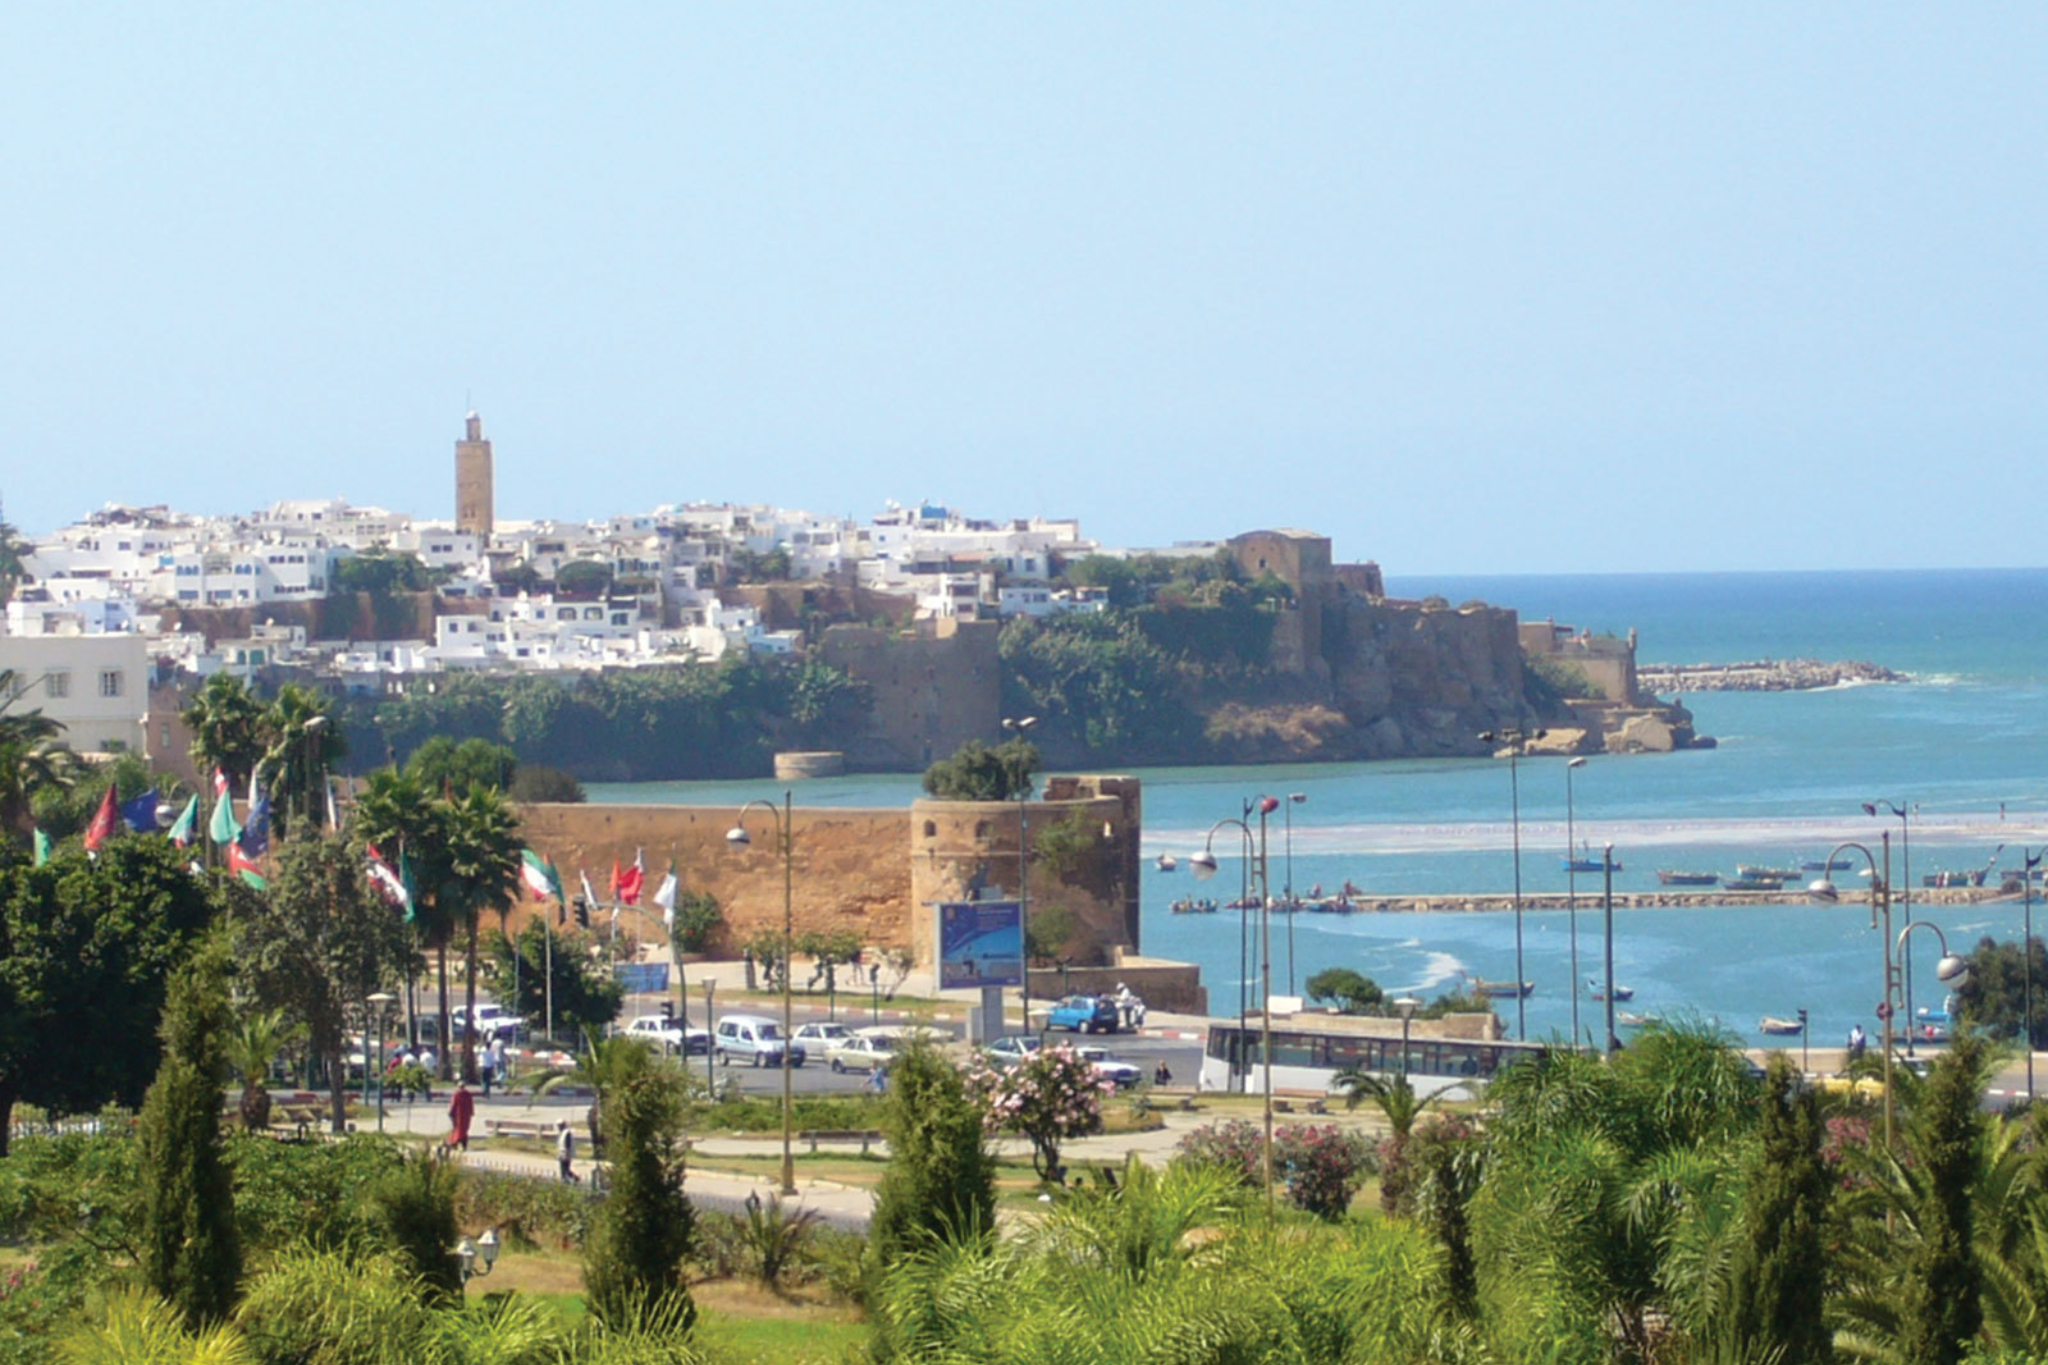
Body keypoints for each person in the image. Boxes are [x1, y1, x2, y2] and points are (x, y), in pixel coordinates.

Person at [446, 1082, 474, 1152]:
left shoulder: (457, 1094)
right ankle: (463, 1144)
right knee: (464, 1130)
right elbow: (471, 1104)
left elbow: (453, 1104)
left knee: (457, 1129)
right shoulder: (468, 1094)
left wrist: (450, 1112)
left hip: (458, 1115)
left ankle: (454, 1143)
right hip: (466, 1115)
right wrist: (471, 1112)